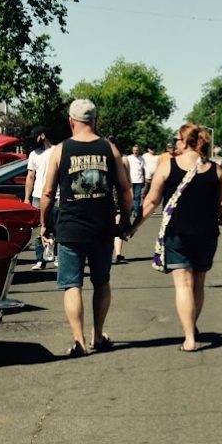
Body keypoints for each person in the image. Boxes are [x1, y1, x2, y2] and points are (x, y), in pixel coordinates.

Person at [33, 99, 133, 357]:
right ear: (95, 121)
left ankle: (79, 341)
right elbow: (125, 190)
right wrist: (124, 221)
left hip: (70, 227)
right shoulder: (109, 149)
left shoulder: (60, 150)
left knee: (72, 284)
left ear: (71, 121)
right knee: (101, 282)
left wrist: (45, 224)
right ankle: (98, 335)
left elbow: (46, 192)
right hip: (102, 226)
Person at [143, 121, 222, 350]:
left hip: (177, 233)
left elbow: (151, 201)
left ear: (186, 141)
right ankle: (192, 327)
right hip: (207, 235)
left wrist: (132, 226)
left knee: (183, 286)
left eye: (177, 139)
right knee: (198, 285)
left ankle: (189, 338)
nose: (175, 143)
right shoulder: (216, 170)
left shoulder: (168, 166)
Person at [23, 131, 54, 266]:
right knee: (38, 228)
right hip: (37, 195)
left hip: (55, 193)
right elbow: (30, 176)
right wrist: (26, 198)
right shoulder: (33, 154)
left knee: (56, 226)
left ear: (42, 135)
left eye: (34, 137)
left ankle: (56, 256)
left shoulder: (55, 151)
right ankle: (40, 259)